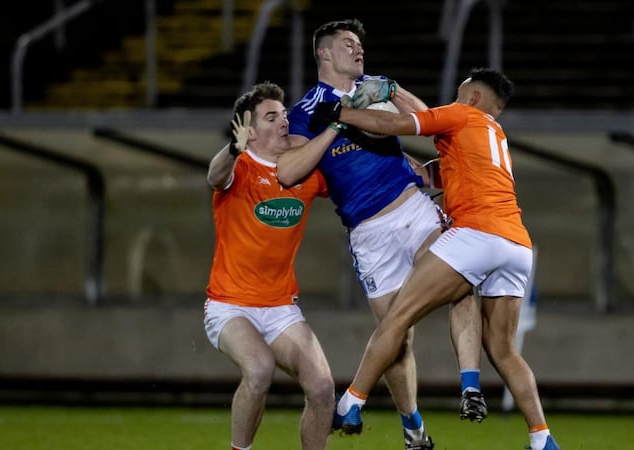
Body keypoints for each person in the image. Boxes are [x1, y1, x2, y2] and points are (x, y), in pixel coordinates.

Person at [313, 67, 562, 450]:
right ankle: (541, 437)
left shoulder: (462, 114)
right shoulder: (494, 136)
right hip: (516, 246)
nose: (454, 98)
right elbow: (440, 175)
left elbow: (394, 124)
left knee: (397, 318)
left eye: (460, 92)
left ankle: (351, 403)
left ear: (474, 97)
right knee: (504, 349)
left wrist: (340, 115)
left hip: (476, 235)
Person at [277, 19, 486, 449]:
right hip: (368, 233)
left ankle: (470, 386)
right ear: (324, 54)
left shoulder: (374, 89)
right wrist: (336, 125)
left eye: (360, 45)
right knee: (397, 336)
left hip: (413, 211)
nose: (359, 50)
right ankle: (414, 430)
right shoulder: (304, 111)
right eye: (349, 44)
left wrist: (392, 91)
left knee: (462, 278)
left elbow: (432, 122)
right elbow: (289, 171)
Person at [203, 81, 341, 450]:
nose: (283, 122)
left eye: (283, 114)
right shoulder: (240, 167)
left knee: (324, 388)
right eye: (271, 117)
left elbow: (354, 181)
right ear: (249, 133)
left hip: (280, 308)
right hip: (230, 307)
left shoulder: (305, 172)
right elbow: (215, 176)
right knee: (260, 368)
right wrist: (231, 150)